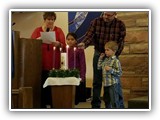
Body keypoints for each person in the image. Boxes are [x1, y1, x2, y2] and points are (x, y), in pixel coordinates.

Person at [78, 12, 126, 108]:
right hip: (99, 53)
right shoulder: (95, 22)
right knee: (97, 81)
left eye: (109, 15)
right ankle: (95, 105)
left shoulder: (120, 24)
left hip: (113, 55)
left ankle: (109, 105)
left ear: (115, 14)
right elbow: (89, 35)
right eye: (104, 14)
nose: (105, 17)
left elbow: (121, 42)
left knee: (111, 81)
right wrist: (84, 44)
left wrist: (114, 56)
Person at [31, 12, 66, 108]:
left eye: (52, 19)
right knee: (41, 84)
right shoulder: (37, 30)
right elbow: (31, 44)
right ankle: (41, 105)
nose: (50, 21)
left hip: (54, 63)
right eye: (48, 19)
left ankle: (53, 104)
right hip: (40, 62)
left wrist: (58, 44)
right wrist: (37, 41)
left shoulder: (58, 31)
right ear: (44, 20)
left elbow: (64, 47)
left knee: (53, 85)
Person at [97, 41, 122, 108]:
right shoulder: (105, 60)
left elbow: (119, 73)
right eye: (105, 50)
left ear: (114, 51)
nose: (105, 51)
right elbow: (99, 67)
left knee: (114, 100)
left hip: (112, 84)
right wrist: (100, 58)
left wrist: (111, 70)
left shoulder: (116, 61)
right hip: (106, 84)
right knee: (106, 100)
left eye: (107, 50)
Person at [66, 32, 86, 105]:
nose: (70, 41)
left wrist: (82, 76)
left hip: (76, 73)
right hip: (67, 73)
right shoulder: (65, 49)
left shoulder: (79, 50)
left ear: (76, 40)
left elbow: (82, 63)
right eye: (68, 39)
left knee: (75, 97)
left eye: (72, 39)